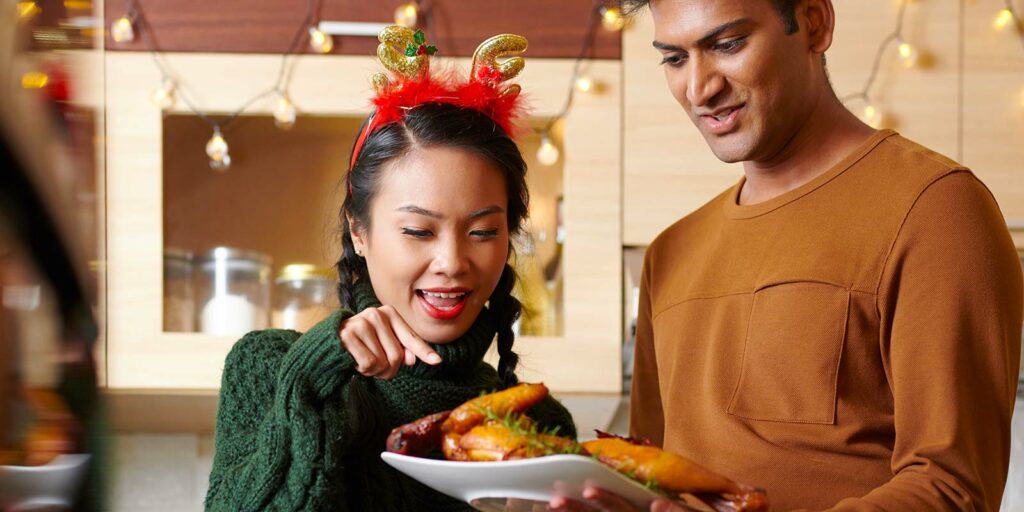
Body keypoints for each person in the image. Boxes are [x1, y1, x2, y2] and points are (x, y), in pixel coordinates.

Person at [551, 0, 1023, 511]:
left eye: (727, 45)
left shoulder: (936, 208)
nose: (699, 89)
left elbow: (954, 488)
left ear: (814, 24)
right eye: (674, 58)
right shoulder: (670, 252)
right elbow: (644, 475)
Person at [204, 27, 576, 511]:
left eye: (483, 232)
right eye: (419, 231)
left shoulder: (537, 424)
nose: (451, 263)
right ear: (359, 233)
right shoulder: (273, 370)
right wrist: (317, 373)